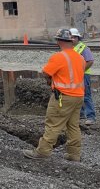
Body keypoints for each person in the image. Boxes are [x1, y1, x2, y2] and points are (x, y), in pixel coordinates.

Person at [23, 28, 86, 162]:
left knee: (53, 124)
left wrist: (50, 82)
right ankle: (74, 154)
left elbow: (46, 73)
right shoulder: (80, 58)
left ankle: (43, 151)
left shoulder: (58, 57)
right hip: (78, 97)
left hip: (63, 97)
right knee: (73, 126)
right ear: (71, 41)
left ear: (59, 41)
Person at [70, 28, 96, 125]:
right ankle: (80, 114)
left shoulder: (83, 48)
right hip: (74, 75)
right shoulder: (70, 49)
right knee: (76, 95)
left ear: (78, 38)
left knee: (86, 96)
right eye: (70, 37)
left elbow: (90, 61)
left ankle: (91, 116)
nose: (72, 39)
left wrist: (80, 70)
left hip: (83, 75)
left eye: (74, 37)